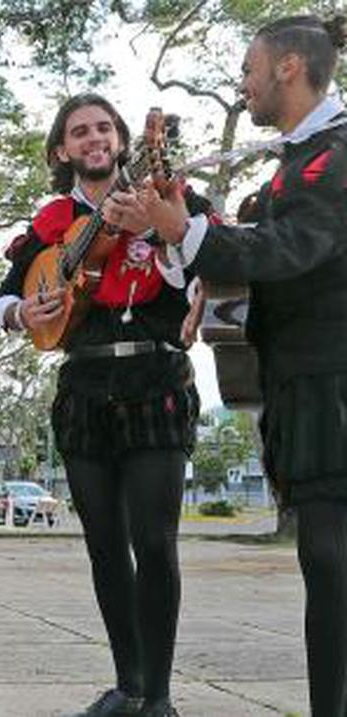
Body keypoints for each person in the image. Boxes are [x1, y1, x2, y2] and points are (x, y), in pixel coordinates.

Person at [123, 16, 347, 716]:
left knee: (333, 563)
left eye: (249, 67)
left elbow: (291, 249)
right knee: (327, 565)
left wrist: (181, 230)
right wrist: (189, 255)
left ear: (288, 67)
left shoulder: (332, 158)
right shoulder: (297, 159)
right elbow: (267, 258)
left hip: (331, 381)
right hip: (303, 380)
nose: (242, 83)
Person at [0, 94, 214, 717]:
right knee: (106, 546)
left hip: (155, 379)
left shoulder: (170, 196)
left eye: (104, 128)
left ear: (123, 141)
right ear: (62, 150)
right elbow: (3, 300)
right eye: (79, 131)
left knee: (155, 541)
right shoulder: (50, 221)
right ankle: (129, 683)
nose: (94, 138)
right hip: (84, 388)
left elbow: (205, 276)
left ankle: (161, 697)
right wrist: (20, 313)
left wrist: (159, 233)